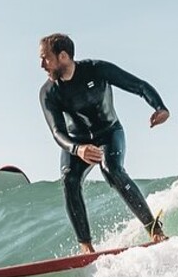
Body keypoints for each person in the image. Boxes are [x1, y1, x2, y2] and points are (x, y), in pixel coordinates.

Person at [38, 33, 170, 254]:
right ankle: (86, 246)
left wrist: (160, 107)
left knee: (112, 169)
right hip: (77, 141)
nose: (42, 65)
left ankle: (153, 228)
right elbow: (57, 131)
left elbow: (138, 86)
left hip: (109, 132)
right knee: (69, 179)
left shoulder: (97, 70)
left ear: (63, 56)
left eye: (45, 58)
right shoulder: (49, 92)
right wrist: (77, 148)